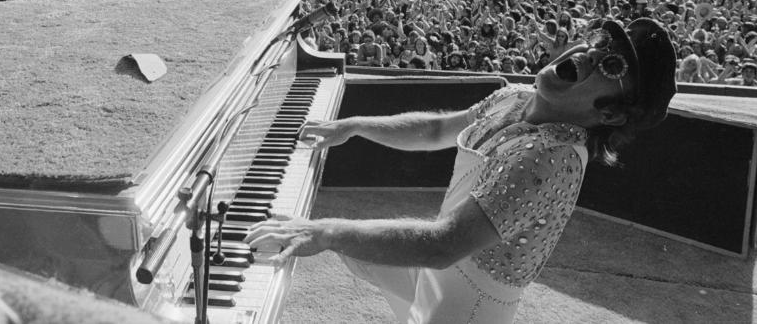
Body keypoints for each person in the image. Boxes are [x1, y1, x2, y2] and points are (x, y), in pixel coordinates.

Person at [246, 18, 677, 324]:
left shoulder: (552, 157)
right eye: (599, 43)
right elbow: (435, 129)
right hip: (445, 277)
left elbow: (443, 244)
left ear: (615, 115)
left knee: (344, 241)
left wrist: (323, 231)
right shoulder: (515, 97)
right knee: (354, 246)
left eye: (612, 66)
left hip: (469, 309)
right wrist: (356, 127)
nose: (589, 55)